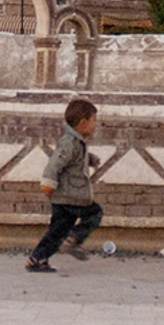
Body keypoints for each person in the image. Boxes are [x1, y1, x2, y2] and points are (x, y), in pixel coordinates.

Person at [27, 98, 103, 273]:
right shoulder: (69, 142)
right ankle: (73, 239)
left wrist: (89, 159)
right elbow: (55, 164)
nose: (96, 125)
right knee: (95, 213)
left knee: (57, 230)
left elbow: (74, 159)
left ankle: (37, 259)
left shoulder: (77, 142)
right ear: (83, 123)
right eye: (94, 121)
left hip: (65, 197)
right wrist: (48, 183)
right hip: (72, 197)